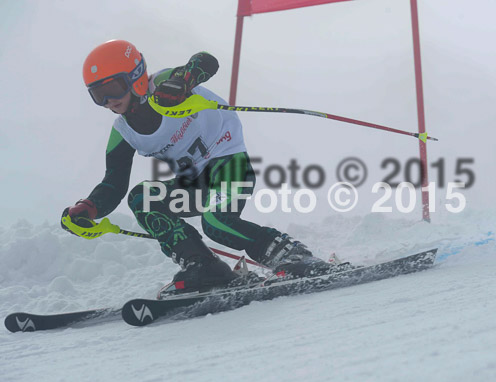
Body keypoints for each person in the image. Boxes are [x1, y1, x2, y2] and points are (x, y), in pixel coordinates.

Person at [62, 39, 328, 296]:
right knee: (142, 198)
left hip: (229, 162)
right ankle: (203, 265)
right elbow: (114, 183)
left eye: (114, 88)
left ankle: (291, 255)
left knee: (216, 222)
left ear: (136, 76)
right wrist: (89, 208)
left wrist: (183, 82)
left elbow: (206, 62)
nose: (109, 100)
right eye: (98, 95)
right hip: (195, 184)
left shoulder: (164, 83)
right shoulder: (123, 132)